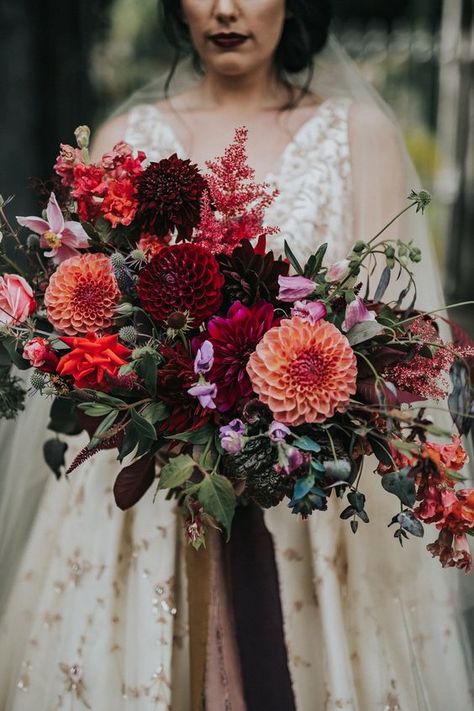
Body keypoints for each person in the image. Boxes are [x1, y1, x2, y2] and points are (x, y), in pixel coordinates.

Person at [0, 1, 472, 709]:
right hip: (153, 497)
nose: (226, 8)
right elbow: (92, 314)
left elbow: (397, 343)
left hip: (311, 506)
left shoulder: (358, 135)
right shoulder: (132, 134)